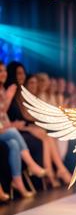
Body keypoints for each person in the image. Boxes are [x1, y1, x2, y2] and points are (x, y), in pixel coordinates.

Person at [0, 61, 45, 200]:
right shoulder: (8, 91)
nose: (3, 74)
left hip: (4, 128)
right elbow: (3, 112)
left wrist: (9, 125)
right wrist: (7, 99)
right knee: (14, 133)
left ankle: (18, 183)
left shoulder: (4, 89)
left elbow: (3, 117)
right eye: (0, 71)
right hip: (4, 130)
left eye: (4, 71)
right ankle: (31, 165)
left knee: (13, 143)